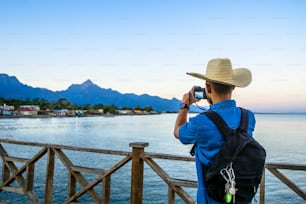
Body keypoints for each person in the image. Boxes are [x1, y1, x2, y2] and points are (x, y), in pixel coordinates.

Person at [173, 58, 256, 204]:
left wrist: (185, 104)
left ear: (208, 88)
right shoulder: (248, 117)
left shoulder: (200, 122)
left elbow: (178, 132)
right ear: (233, 87)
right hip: (241, 198)